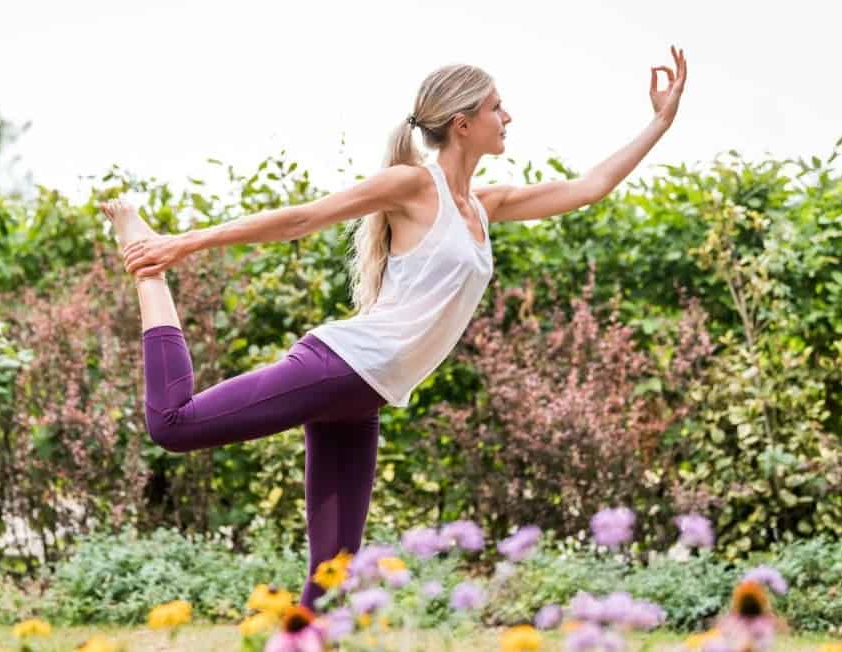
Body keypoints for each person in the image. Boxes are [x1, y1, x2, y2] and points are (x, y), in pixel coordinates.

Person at [99, 46, 687, 610]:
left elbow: (589, 187)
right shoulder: (411, 186)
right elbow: (304, 218)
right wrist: (183, 244)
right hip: (340, 367)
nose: (508, 117)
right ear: (462, 124)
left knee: (334, 573)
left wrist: (659, 121)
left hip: (365, 396)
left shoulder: (484, 203)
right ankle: (145, 264)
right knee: (174, 425)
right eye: (496, 107)